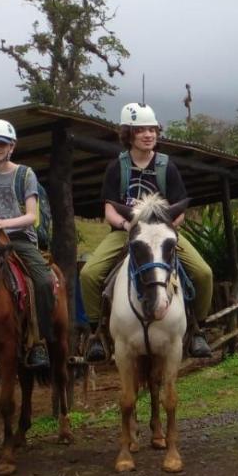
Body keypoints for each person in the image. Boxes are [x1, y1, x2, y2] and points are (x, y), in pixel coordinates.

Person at [82, 103, 213, 362]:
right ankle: (95, 334)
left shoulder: (167, 166)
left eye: (152, 129)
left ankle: (199, 329)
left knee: (203, 272)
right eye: (141, 130)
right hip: (126, 231)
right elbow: (109, 209)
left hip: (161, 233)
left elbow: (180, 211)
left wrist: (164, 230)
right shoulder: (116, 167)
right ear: (128, 134)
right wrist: (125, 226)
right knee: (89, 274)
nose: (148, 135)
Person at [0, 119, 53, 370]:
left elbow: (31, 216)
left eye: (2, 144)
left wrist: (3, 223)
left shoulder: (25, 174)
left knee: (42, 281)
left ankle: (39, 341)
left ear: (12, 146)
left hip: (20, 239)